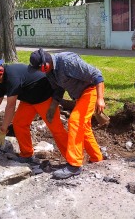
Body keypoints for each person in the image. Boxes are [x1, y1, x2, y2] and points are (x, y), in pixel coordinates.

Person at [29, 49, 105, 179]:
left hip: (90, 90)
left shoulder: (67, 61)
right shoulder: (50, 72)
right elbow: (58, 89)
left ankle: (74, 165)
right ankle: (97, 158)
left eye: (42, 69)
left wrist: (100, 98)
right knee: (84, 127)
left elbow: (96, 75)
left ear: (46, 63)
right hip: (79, 96)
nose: (42, 72)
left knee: (75, 121)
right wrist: (52, 108)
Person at [0, 59, 68, 164]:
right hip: (29, 99)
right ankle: (27, 155)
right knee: (19, 123)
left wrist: (3, 130)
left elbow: (10, 106)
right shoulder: (1, 80)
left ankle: (72, 161)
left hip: (44, 97)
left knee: (56, 129)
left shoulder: (12, 77)